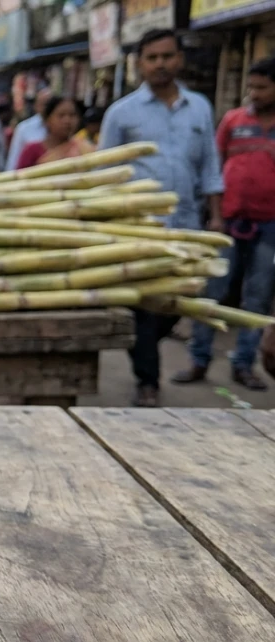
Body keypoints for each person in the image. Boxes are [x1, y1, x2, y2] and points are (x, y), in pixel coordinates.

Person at [99, 28, 224, 407]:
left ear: (180, 59)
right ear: (139, 63)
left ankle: (143, 351)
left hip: (188, 225)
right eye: (151, 58)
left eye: (167, 56)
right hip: (140, 226)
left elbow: (210, 165)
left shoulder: (199, 108)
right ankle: (148, 380)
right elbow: (104, 172)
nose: (160, 64)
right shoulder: (121, 113)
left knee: (175, 304)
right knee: (142, 306)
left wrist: (216, 216)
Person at [172, 56, 275, 391]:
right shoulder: (233, 120)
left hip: (270, 225)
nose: (255, 93)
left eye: (262, 87)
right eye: (252, 86)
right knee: (212, 292)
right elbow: (212, 170)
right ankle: (198, 359)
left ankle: (244, 364)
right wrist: (215, 215)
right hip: (228, 220)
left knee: (257, 297)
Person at [15, 96, 95, 169]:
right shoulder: (32, 151)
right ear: (47, 120)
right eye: (61, 115)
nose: (67, 120)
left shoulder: (84, 148)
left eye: (72, 115)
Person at [5, 88, 53, 173]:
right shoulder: (24, 128)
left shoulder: (62, 130)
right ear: (36, 106)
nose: (48, 108)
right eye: (45, 104)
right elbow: (13, 161)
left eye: (51, 104)